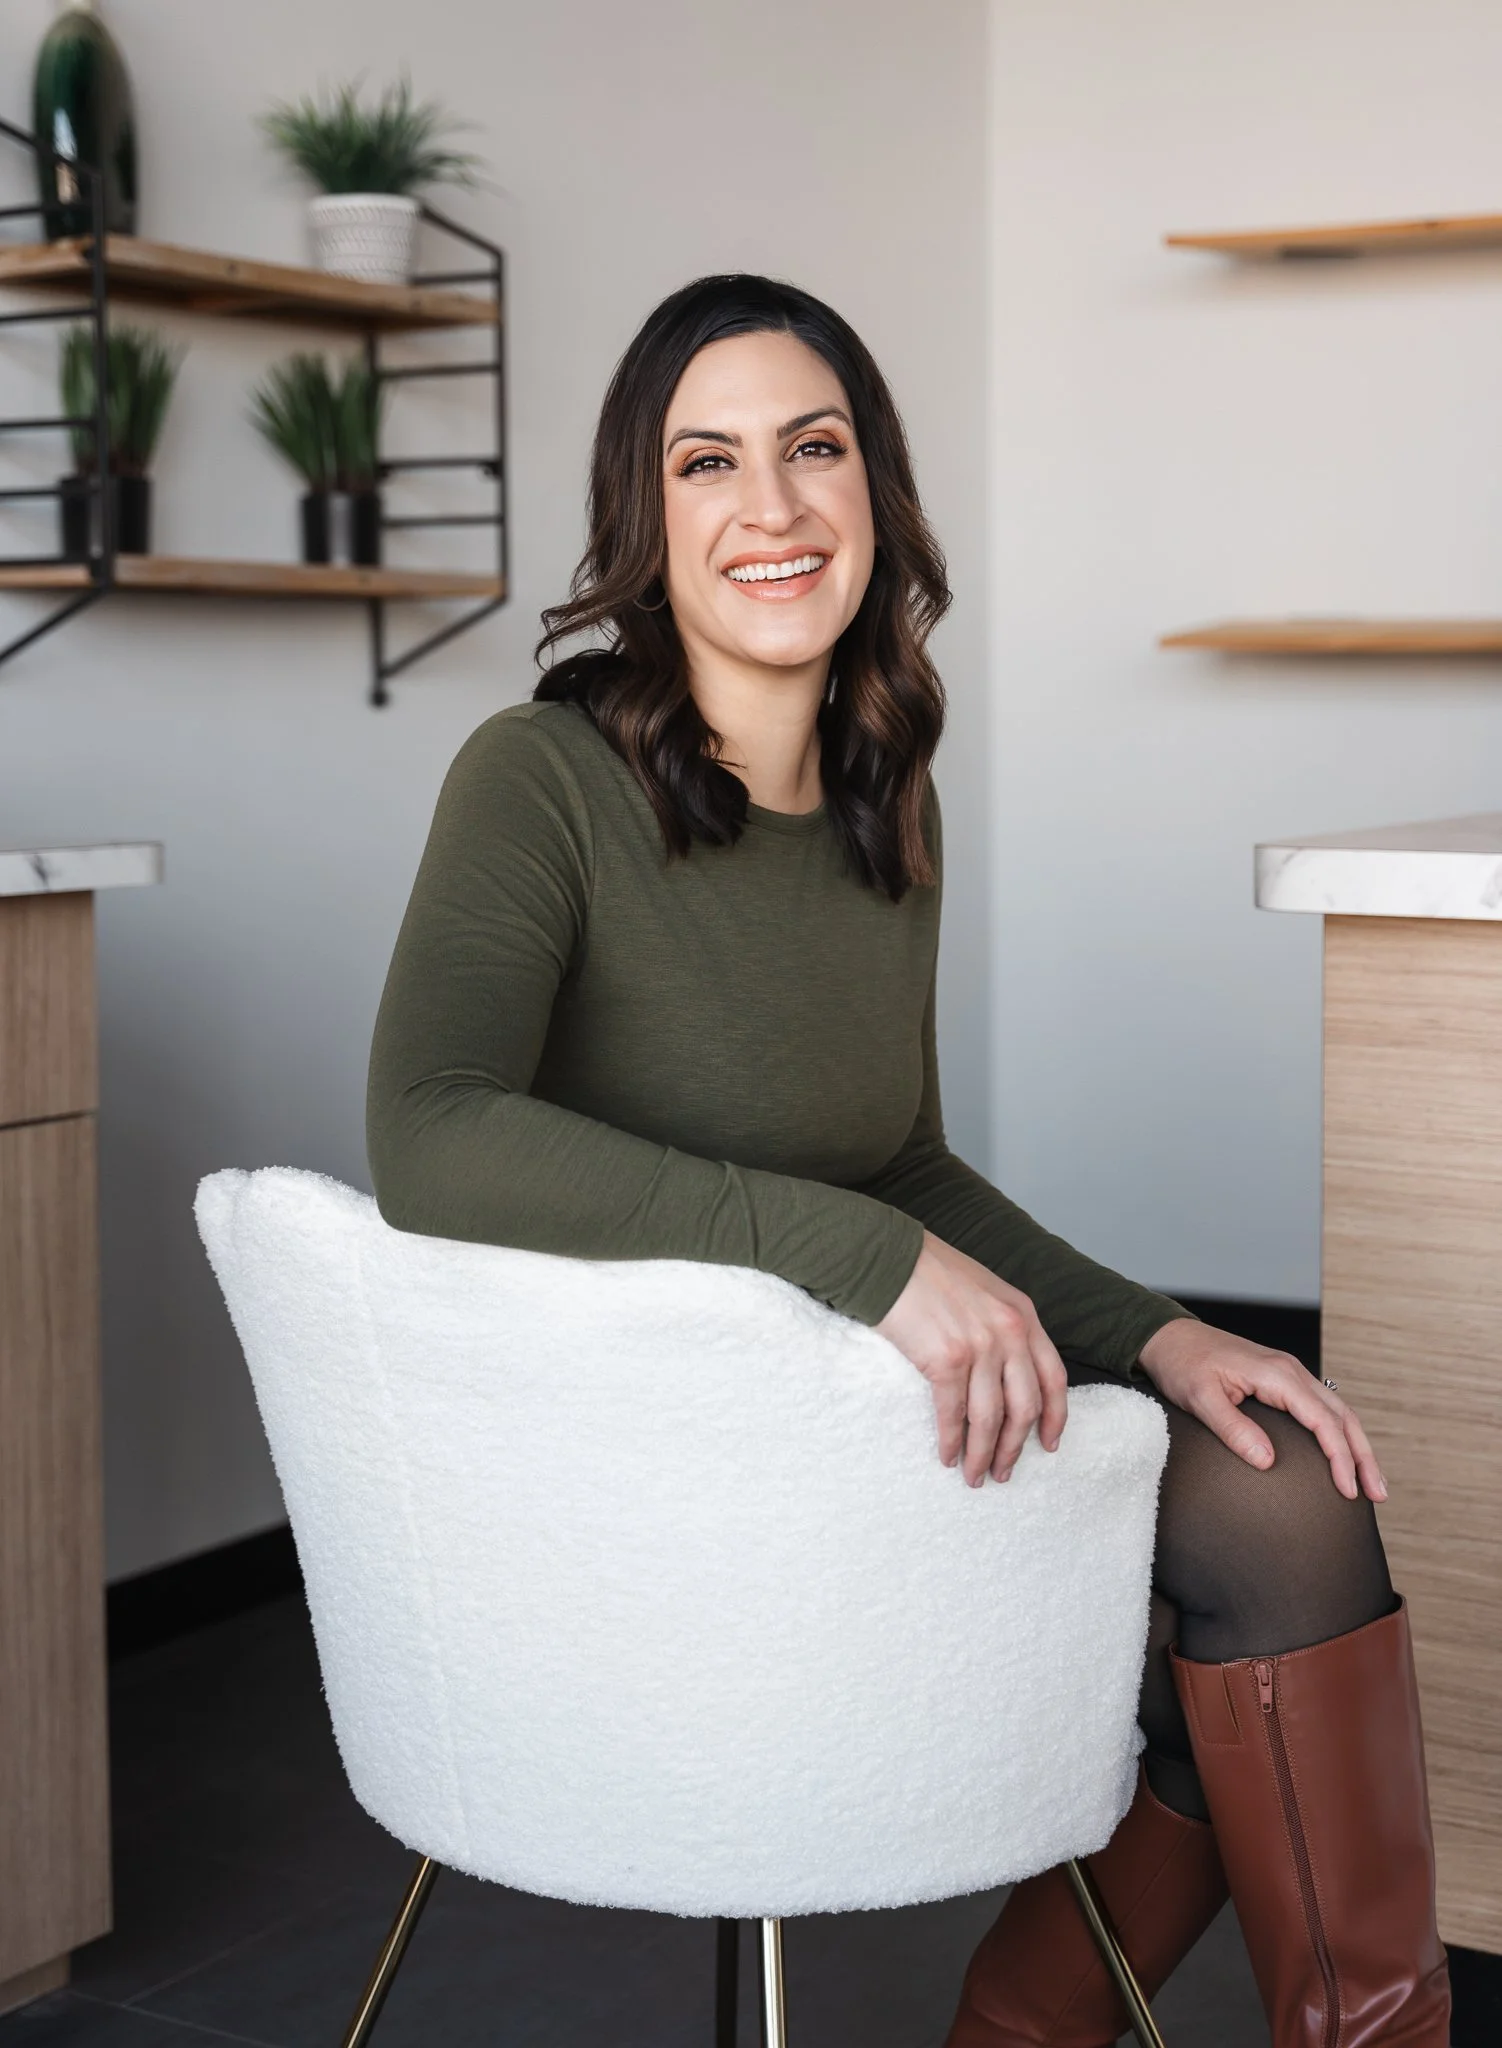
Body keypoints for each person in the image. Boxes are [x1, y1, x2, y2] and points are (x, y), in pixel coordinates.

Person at [366, 274, 1451, 2047]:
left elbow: (908, 1165)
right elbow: (426, 1133)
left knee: (1281, 1488)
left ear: (878, 492)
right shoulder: (538, 776)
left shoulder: (886, 798)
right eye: (707, 462)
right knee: (1254, 1544)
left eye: (815, 449)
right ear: (648, 519)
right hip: (654, 1485)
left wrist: (1165, 1335)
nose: (772, 507)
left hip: (833, 1418)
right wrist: (853, 1259)